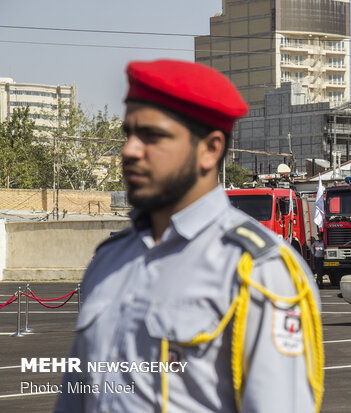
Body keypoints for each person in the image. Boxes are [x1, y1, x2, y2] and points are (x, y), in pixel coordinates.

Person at [54, 60, 323, 413]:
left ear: (210, 150)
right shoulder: (109, 260)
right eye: (129, 134)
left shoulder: (258, 271)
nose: (130, 150)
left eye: (152, 136)